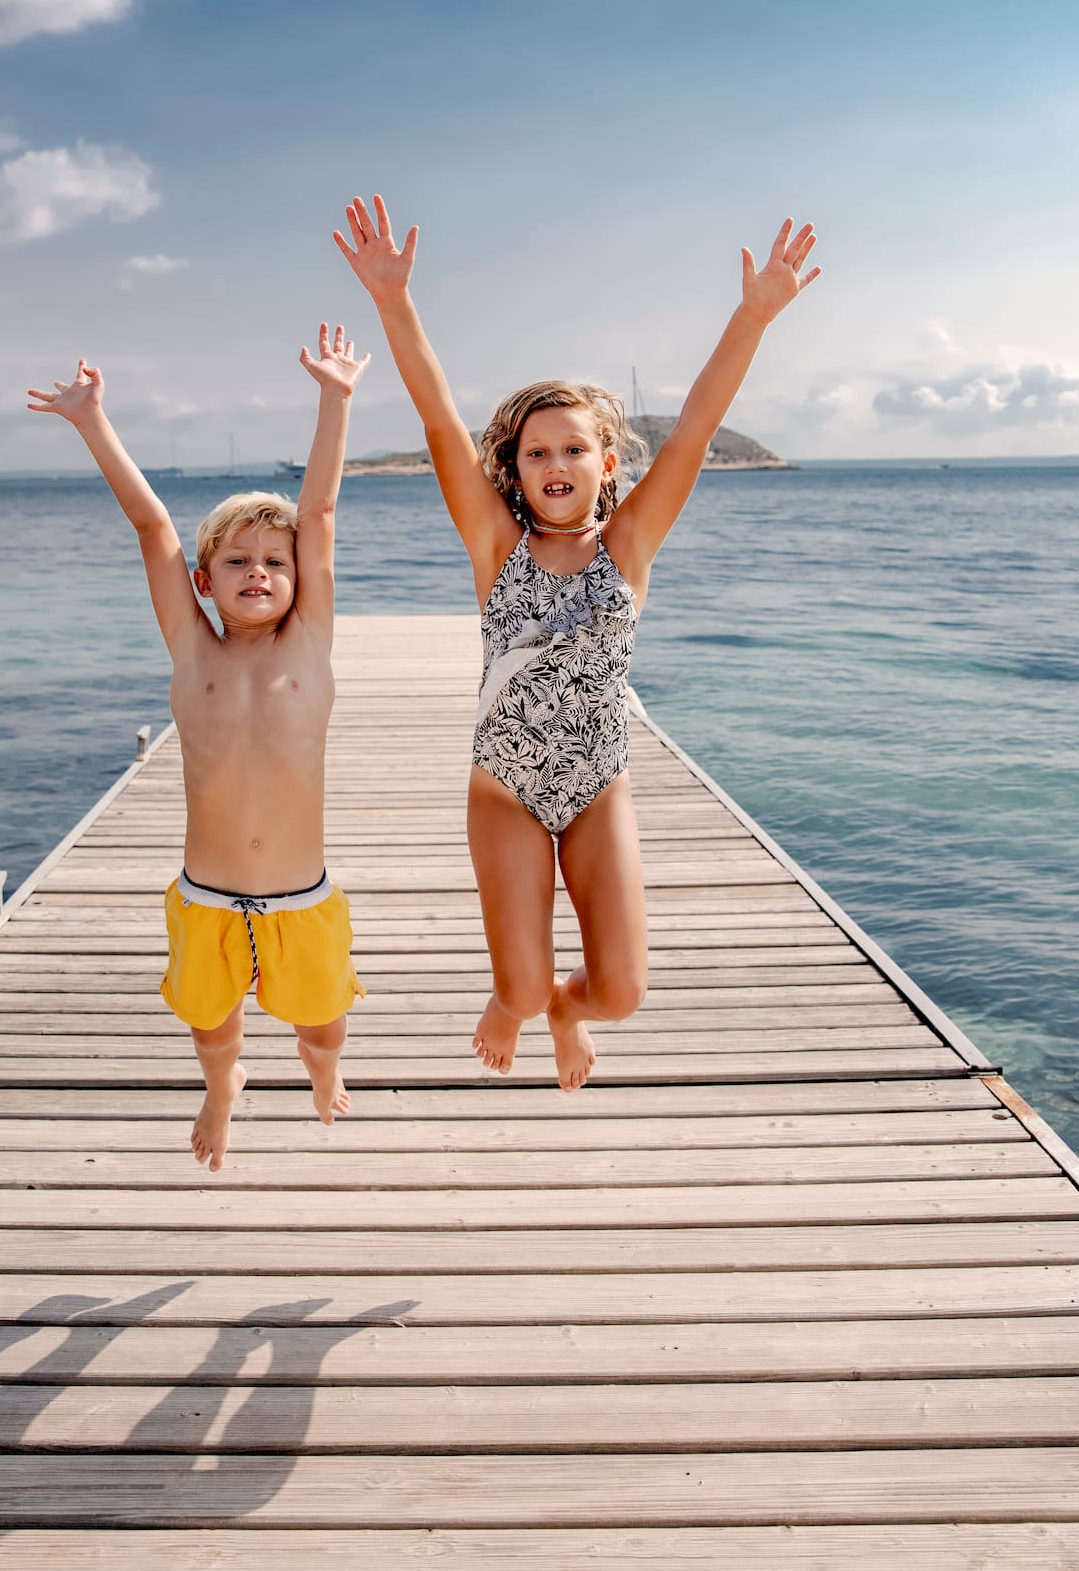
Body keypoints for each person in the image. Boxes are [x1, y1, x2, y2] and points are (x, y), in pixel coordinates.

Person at [337, 195, 819, 1090]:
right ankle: (526, 1002)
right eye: (534, 454)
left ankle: (569, 1008)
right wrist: (395, 303)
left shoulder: (629, 547)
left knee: (623, 991)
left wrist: (751, 316)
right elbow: (442, 423)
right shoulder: (498, 548)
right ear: (514, 472)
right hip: (506, 787)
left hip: (599, 782)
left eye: (572, 450)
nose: (554, 466)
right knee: (513, 990)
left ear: (605, 462)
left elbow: (698, 430)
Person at [27, 322, 371, 1167]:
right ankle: (224, 1090)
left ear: (300, 578)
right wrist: (92, 423)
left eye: (276, 563)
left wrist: (335, 398)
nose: (259, 572)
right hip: (207, 899)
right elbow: (153, 529)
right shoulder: (194, 653)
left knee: (323, 1022)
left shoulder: (309, 647)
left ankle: (319, 1070)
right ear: (203, 581)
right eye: (238, 561)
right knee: (209, 1027)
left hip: (302, 900)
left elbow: (319, 510)